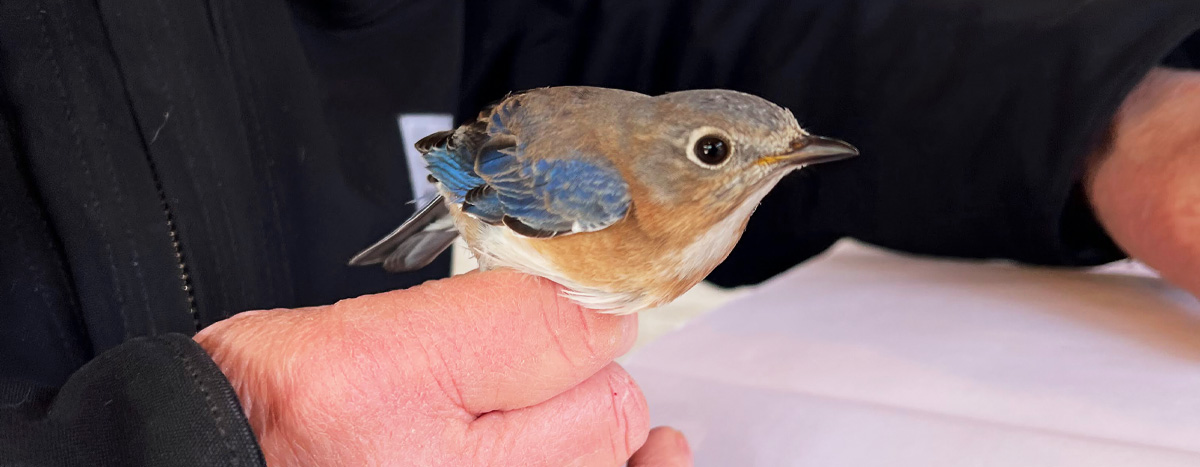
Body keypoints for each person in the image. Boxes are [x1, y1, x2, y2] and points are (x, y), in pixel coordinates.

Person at [0, 0, 1196, 465]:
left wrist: (1103, 110)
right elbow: (479, 161)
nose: (761, 169)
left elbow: (597, 30)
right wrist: (193, 439)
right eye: (732, 160)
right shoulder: (589, 195)